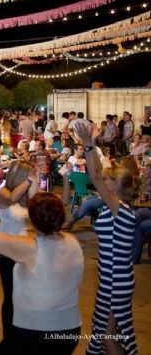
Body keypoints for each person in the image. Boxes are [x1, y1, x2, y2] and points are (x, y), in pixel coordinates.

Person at [0, 182, 83, 355]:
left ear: (33, 222)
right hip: (70, 330)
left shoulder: (31, 248)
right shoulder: (73, 242)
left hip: (36, 331)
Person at [75, 122, 138, 354]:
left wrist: (87, 143)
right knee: (108, 333)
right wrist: (91, 144)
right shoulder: (118, 208)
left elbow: (95, 176)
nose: (103, 181)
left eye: (108, 180)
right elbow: (97, 173)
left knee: (106, 336)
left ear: (117, 185)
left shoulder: (119, 209)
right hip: (112, 277)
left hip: (116, 280)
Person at [0, 160, 39, 350]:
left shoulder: (25, 194)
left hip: (24, 249)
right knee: (11, 294)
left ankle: (22, 336)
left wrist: (34, 188)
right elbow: (12, 198)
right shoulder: (3, 192)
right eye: (27, 176)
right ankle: (9, 340)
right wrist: (30, 181)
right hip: (6, 249)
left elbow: (36, 212)